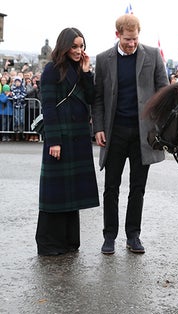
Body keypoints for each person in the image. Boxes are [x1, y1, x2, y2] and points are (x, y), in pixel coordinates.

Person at [92, 14, 169, 255]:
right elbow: (98, 98)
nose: (132, 43)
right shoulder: (104, 59)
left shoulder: (153, 55)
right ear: (117, 35)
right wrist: (99, 128)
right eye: (127, 39)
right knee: (111, 188)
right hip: (114, 133)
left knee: (138, 187)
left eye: (135, 39)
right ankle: (109, 237)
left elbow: (164, 92)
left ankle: (133, 235)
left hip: (142, 135)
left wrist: (158, 126)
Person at [35, 27, 99, 256]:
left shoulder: (80, 68)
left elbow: (92, 98)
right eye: (74, 46)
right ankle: (49, 243)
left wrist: (86, 72)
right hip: (60, 136)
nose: (79, 50)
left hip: (79, 135)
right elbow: (49, 107)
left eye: (81, 46)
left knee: (71, 194)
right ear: (64, 46)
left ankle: (69, 241)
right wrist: (53, 140)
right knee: (56, 192)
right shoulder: (52, 70)